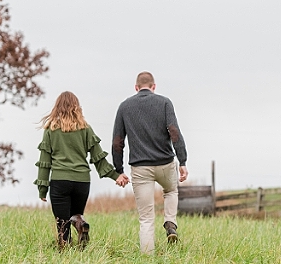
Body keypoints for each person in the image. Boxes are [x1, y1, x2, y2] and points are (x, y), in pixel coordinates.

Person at [34, 91, 128, 250]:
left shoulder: (51, 130)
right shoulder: (86, 129)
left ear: (57, 107)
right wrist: (116, 176)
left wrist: (42, 189)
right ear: (77, 107)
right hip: (82, 182)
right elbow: (99, 158)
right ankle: (81, 225)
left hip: (60, 181)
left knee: (62, 224)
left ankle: (64, 254)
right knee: (75, 216)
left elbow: (45, 162)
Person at [112, 71, 188, 254]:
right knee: (170, 191)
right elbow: (174, 132)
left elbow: (117, 141)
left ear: (136, 88)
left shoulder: (124, 106)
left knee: (146, 218)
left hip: (140, 168)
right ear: (154, 87)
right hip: (165, 164)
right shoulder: (164, 103)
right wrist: (183, 160)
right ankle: (170, 222)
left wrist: (118, 169)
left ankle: (147, 259)